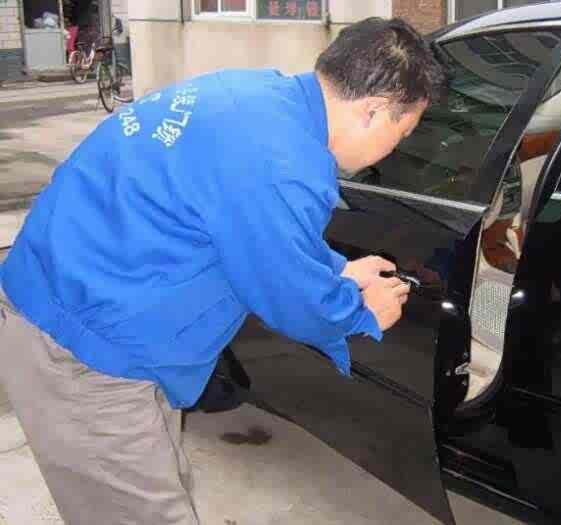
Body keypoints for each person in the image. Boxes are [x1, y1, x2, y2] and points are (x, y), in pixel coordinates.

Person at [0, 17, 445, 524]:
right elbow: (292, 297)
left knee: (157, 486)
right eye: (402, 133)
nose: (396, 148)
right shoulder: (282, 163)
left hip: (92, 307)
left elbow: (252, 232)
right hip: (79, 349)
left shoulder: (258, 98)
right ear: (374, 110)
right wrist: (359, 310)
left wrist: (337, 269)